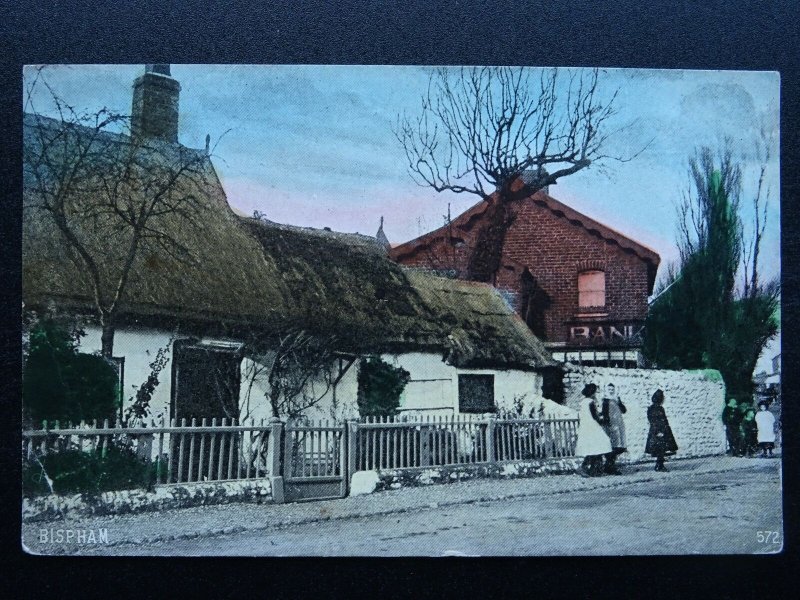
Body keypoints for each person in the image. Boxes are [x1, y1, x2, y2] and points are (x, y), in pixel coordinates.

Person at [574, 383, 612, 477]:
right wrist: (603, 420)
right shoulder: (591, 402)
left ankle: (593, 469)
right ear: (592, 392)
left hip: (585, 425)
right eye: (595, 392)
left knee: (593, 448)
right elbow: (595, 416)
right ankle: (586, 467)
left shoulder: (583, 402)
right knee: (603, 443)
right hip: (592, 426)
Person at [645, 389, 678, 471]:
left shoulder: (659, 408)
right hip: (658, 431)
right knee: (660, 449)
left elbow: (664, 420)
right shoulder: (654, 409)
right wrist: (658, 432)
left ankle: (660, 465)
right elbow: (653, 421)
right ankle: (659, 466)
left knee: (662, 449)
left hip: (663, 430)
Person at [601, 382, 627, 475]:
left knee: (619, 446)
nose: (611, 391)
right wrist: (608, 426)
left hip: (619, 423)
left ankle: (610, 465)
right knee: (612, 446)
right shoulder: (605, 400)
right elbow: (604, 413)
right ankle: (609, 467)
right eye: (609, 389)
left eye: (612, 389)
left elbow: (624, 411)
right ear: (606, 390)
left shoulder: (617, 399)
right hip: (611, 425)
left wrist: (619, 402)